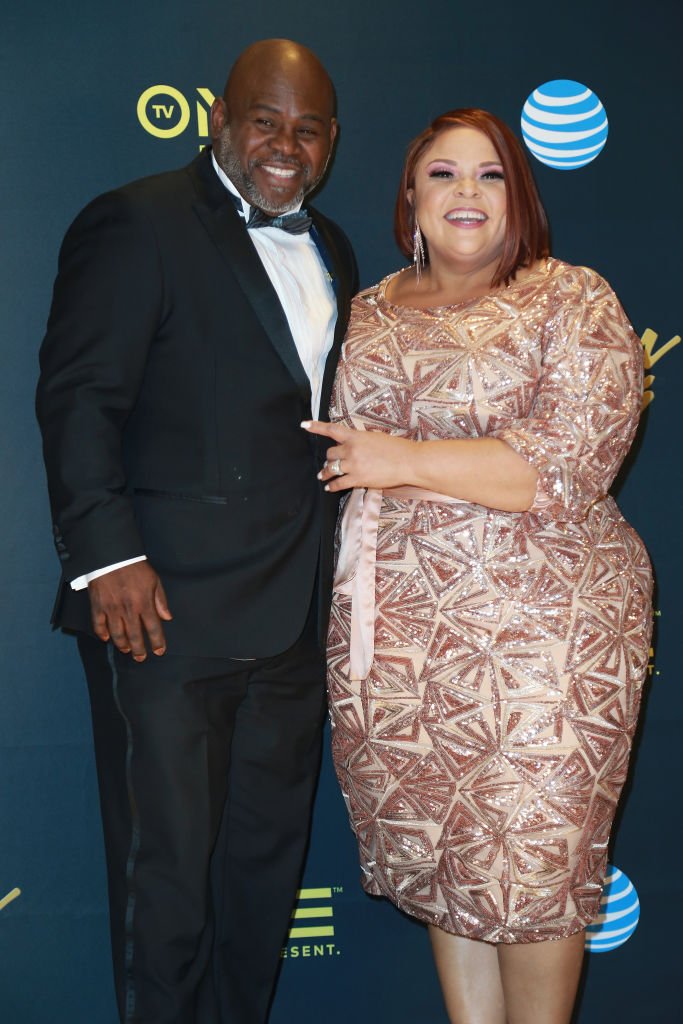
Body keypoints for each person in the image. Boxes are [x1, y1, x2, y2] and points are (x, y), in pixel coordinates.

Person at [303, 108, 652, 1024]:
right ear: (409, 197)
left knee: (534, 855)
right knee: (447, 843)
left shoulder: (571, 297)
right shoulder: (370, 307)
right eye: (443, 175)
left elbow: (571, 462)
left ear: (518, 197)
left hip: (547, 632)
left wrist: (398, 458)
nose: (466, 193)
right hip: (399, 629)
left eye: (490, 175)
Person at [36, 38, 357, 1024]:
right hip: (161, 615)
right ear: (220, 117)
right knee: (166, 888)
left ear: (330, 141)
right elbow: (79, 397)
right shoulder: (136, 222)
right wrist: (107, 558)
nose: (283, 145)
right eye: (265, 120)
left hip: (292, 622)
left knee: (258, 885)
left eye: (306, 129)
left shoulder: (334, 247)